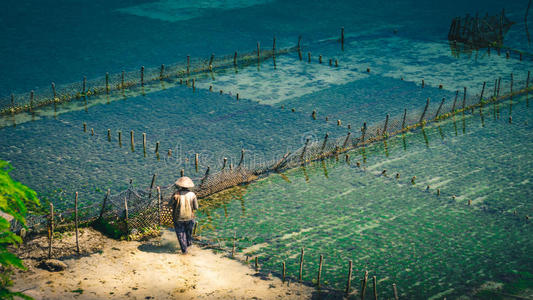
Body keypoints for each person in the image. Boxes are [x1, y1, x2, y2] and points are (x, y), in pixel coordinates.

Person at [169, 176, 198, 254]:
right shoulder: (192, 194)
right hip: (190, 217)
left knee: (181, 235)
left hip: (178, 218)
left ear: (180, 185)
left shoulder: (176, 194)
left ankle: (184, 252)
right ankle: (189, 246)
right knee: (189, 233)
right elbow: (196, 207)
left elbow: (170, 204)